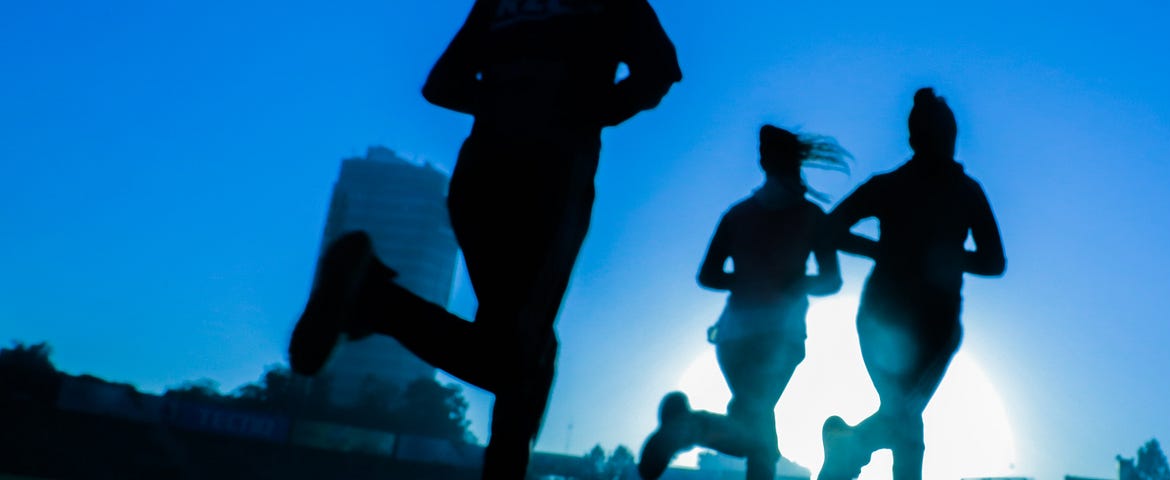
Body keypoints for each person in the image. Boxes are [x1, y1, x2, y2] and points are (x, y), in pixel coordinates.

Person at [286, 1, 681, 479]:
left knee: (524, 346)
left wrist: (504, 102)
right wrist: (585, 112)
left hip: (480, 178)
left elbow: (440, 85)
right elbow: (660, 72)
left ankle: (376, 300)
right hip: (552, 177)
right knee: (520, 353)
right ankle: (375, 299)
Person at [637, 125, 848, 480]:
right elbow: (832, 281)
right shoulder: (811, 217)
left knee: (759, 430)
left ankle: (687, 426)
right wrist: (794, 284)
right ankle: (689, 427)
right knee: (761, 435)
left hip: (733, 336)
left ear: (764, 161)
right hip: (780, 339)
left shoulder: (738, 214)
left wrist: (748, 280)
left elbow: (708, 275)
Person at [816, 88, 1007, 480]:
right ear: (920, 139)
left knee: (904, 420)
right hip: (897, 324)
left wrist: (895, 253)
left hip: (920, 329)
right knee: (904, 419)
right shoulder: (938, 190)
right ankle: (847, 446)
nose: (947, 146)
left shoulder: (946, 190)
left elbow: (994, 261)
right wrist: (883, 251)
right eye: (942, 137)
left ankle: (846, 447)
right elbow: (827, 231)